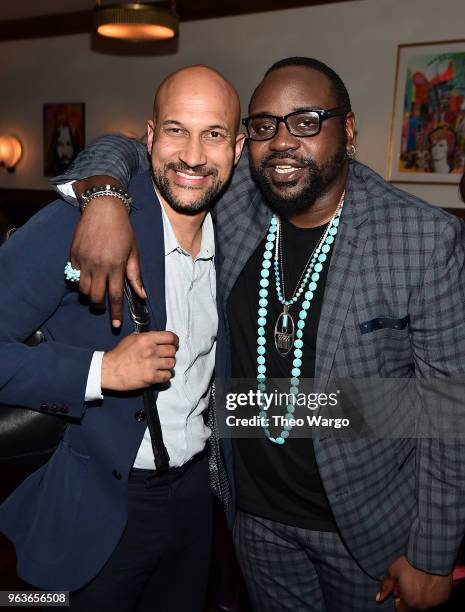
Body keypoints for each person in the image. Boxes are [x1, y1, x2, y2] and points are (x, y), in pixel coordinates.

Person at [53, 57, 465, 612]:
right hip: (252, 521)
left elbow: (448, 405)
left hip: (369, 535)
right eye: (266, 125)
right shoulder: (239, 201)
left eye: (306, 121)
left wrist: (432, 556)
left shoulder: (421, 237)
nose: (284, 141)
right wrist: (104, 196)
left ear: (348, 130)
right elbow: (130, 147)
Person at [0, 65, 245, 611]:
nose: (193, 155)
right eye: (177, 130)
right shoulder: (82, 224)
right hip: (95, 503)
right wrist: (100, 373)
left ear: (238, 145)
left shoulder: (240, 225)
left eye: (214, 134)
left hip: (192, 500)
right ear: (151, 136)